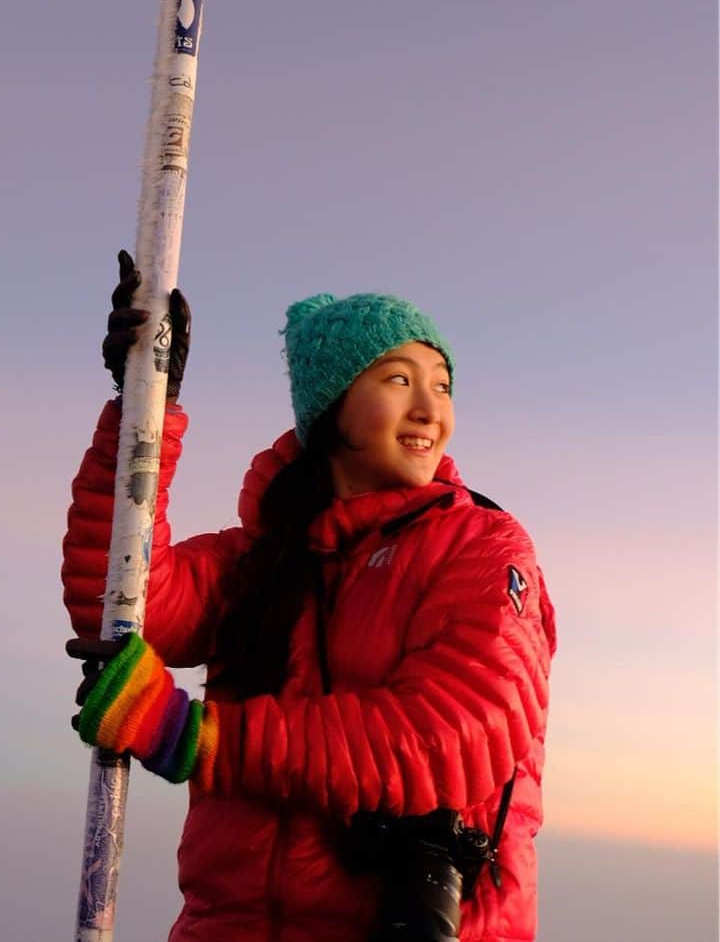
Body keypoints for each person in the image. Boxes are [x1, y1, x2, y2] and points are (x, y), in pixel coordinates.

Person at [62, 254, 556, 942]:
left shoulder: (482, 547)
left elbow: (451, 740)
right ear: (332, 406)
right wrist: (144, 408)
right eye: (398, 379)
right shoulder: (267, 558)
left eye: (442, 386)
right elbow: (123, 600)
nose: (429, 409)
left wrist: (189, 737)